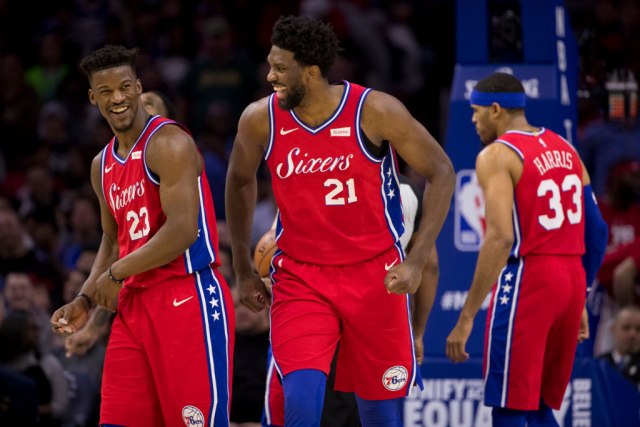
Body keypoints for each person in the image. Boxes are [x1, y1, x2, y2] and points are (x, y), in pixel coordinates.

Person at [226, 15, 454, 427]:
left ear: (311, 72)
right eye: (270, 64)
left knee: (380, 415)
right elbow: (240, 180)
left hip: (375, 275)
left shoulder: (376, 110)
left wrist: (416, 260)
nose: (269, 75)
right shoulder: (260, 118)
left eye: (280, 68)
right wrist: (242, 269)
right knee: (300, 402)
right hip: (301, 276)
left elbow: (442, 171)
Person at [49, 45, 234, 427]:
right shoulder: (101, 164)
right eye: (106, 91)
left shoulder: (169, 142)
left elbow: (183, 230)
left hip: (185, 295)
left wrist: (115, 273)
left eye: (124, 87)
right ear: (93, 98)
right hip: (133, 305)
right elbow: (111, 239)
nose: (117, 98)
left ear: (137, 87)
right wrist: (85, 299)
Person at [445, 72, 608, 426]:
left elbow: (500, 238)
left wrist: (466, 316)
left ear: (495, 109)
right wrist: (581, 294)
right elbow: (598, 231)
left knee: (510, 407)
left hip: (531, 278)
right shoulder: (567, 149)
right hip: (571, 280)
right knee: (539, 408)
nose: (472, 120)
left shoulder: (496, 155)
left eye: (475, 111)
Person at [597, 305, 640, 389]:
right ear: (613, 329)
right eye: (626, 328)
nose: (632, 334)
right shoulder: (599, 363)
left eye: (638, 329)